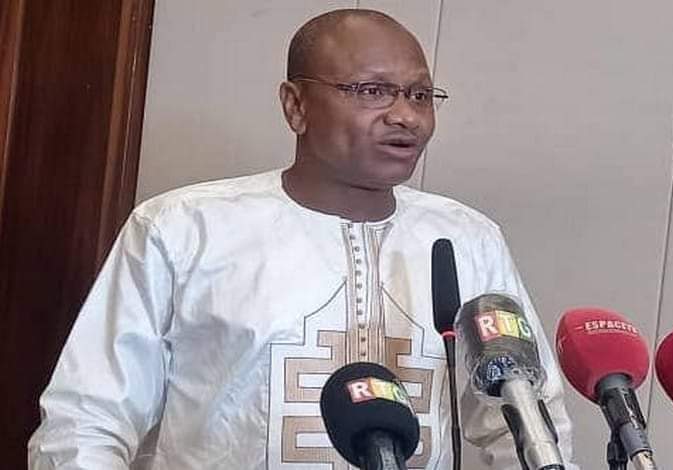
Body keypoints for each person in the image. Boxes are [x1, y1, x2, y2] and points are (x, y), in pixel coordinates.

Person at [29, 8, 578, 470]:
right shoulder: (183, 228)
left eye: (419, 95)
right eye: (372, 91)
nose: (406, 116)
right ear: (295, 105)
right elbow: (87, 422)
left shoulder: (467, 239)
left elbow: (523, 421)